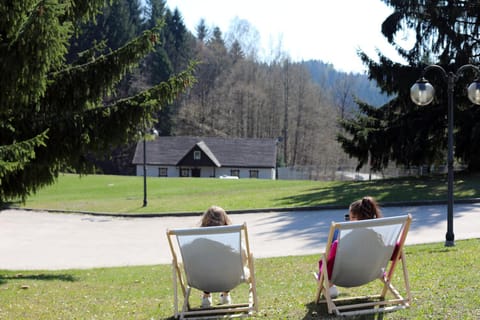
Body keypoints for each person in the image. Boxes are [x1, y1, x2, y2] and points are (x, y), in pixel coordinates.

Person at [318, 196, 382, 298]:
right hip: (371, 273)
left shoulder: (343, 243)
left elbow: (331, 259)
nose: (348, 220)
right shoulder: (379, 238)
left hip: (345, 276)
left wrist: (323, 267)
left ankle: (330, 286)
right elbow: (396, 253)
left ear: (355, 219)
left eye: (350, 217)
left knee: (325, 260)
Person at [199, 205, 233, 308]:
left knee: (206, 266)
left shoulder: (198, 240)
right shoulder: (231, 239)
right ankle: (225, 295)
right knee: (227, 266)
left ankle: (206, 297)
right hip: (229, 278)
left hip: (204, 279)